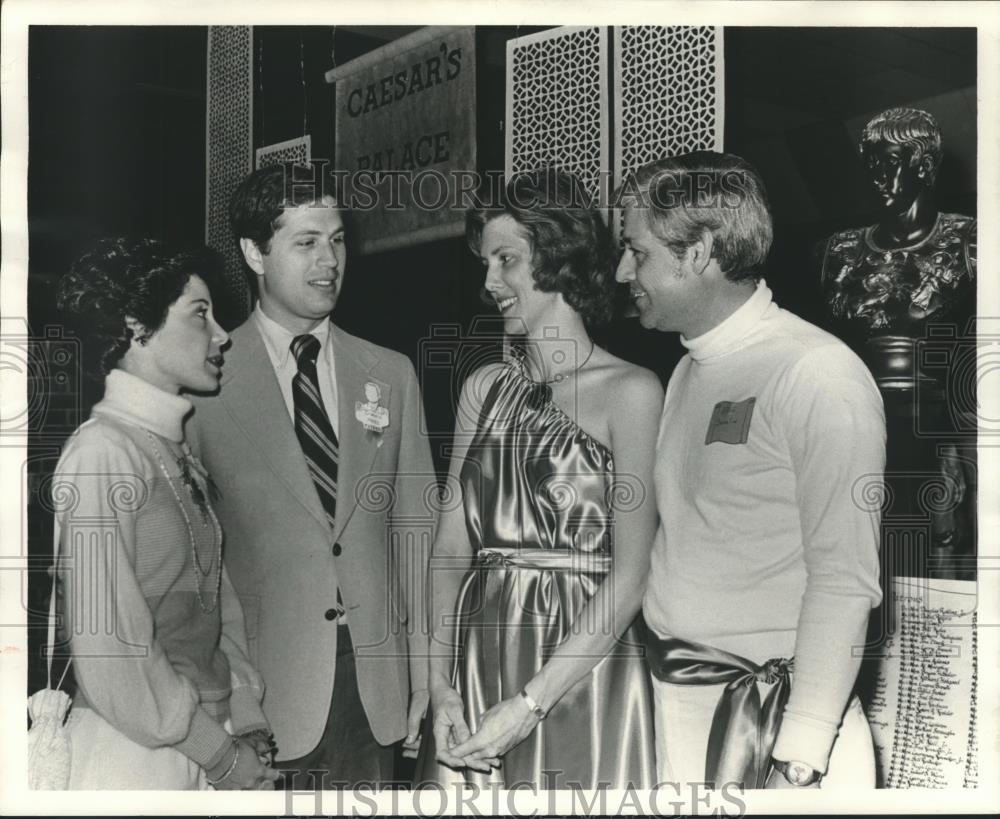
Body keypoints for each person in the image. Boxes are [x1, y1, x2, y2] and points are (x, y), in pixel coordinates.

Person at [616, 152, 886, 789]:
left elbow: (845, 580)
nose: (623, 270)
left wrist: (800, 757)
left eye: (638, 252)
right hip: (679, 706)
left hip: (772, 732)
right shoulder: (688, 368)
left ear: (701, 250)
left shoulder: (817, 373)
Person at [187, 163, 436, 788]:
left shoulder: (390, 372)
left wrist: (429, 675)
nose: (329, 261)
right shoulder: (203, 381)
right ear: (254, 252)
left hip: (378, 689)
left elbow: (418, 538)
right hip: (262, 691)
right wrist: (236, 698)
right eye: (305, 242)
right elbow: (197, 564)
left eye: (338, 239)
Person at [421, 168, 662, 789]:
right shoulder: (482, 389)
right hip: (477, 667)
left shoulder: (632, 392)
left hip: (582, 676)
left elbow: (632, 574)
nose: (489, 282)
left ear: (557, 260)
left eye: (506, 261)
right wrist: (439, 687)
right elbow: (449, 552)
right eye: (484, 263)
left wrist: (531, 704)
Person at [52, 237, 278, 790]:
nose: (222, 334)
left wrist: (243, 717)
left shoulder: (172, 452)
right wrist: (217, 752)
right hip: (130, 759)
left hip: (200, 750)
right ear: (137, 326)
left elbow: (212, 606)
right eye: (200, 314)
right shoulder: (101, 454)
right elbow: (112, 649)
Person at [819, 107, 977, 580]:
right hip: (855, 433)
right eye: (869, 162)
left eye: (888, 162)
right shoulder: (838, 251)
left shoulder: (970, 241)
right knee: (861, 572)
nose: (875, 175)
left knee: (938, 572)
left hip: (939, 435)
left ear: (924, 166)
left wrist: (961, 451)